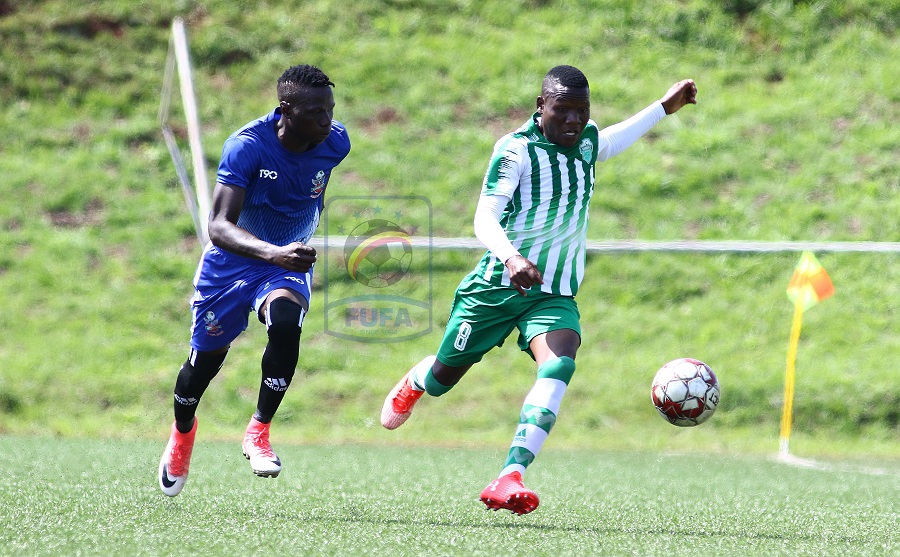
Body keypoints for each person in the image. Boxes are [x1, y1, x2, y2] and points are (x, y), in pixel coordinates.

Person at [380, 65, 697, 515]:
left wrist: (664, 108)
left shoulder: (586, 139)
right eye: (563, 110)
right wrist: (512, 258)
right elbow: (484, 217)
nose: (573, 121)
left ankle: (511, 474)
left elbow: (609, 141)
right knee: (442, 380)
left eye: (581, 111)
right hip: (495, 288)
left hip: (553, 294)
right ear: (540, 106)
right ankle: (416, 381)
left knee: (560, 365)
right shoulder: (515, 150)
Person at [158, 64, 351, 497]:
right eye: (317, 111)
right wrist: (271, 250)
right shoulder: (246, 147)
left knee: (285, 325)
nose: (328, 120)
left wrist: (286, 251)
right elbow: (219, 226)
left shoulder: (335, 142)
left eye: (331, 109)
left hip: (283, 264)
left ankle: (258, 432)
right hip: (230, 264)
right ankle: (183, 432)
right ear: (286, 110)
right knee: (199, 371)